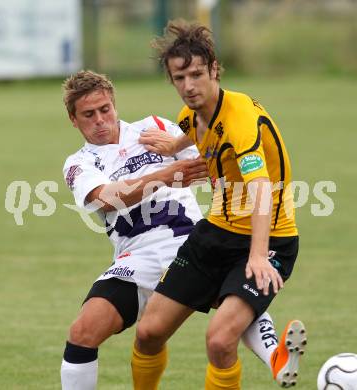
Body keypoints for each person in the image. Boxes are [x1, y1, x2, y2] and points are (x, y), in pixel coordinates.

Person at [60, 70, 288, 390]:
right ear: (73, 119)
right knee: (83, 332)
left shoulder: (156, 126)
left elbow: (203, 155)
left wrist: (200, 157)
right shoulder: (78, 164)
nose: (100, 120)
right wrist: (166, 175)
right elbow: (107, 199)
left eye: (105, 109)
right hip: (137, 255)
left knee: (231, 299)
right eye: (89, 114)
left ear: (114, 104)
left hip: (190, 240)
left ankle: (278, 356)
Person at [134, 20, 307, 389]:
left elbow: (260, 188)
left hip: (269, 238)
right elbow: (191, 128)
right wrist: (171, 147)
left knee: (219, 340)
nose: (188, 86)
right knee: (148, 332)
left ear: (214, 69)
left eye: (196, 74)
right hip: (214, 233)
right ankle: (268, 341)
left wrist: (258, 256)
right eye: (179, 78)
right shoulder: (191, 115)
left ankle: (265, 337)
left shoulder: (240, 118)